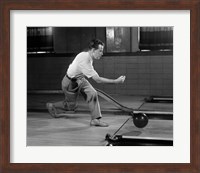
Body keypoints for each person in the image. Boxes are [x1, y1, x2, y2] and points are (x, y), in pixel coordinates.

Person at [46, 39, 126, 127]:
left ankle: (95, 120)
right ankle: (52, 105)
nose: (102, 53)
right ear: (92, 50)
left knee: (92, 93)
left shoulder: (88, 57)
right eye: (100, 51)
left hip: (80, 79)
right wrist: (115, 81)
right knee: (70, 106)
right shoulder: (84, 59)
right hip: (70, 82)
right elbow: (97, 79)